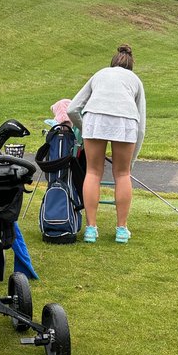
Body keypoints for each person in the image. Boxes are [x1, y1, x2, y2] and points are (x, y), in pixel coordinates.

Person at [68, 44, 147, 244]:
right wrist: (132, 160)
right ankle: (121, 230)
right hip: (126, 122)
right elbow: (141, 127)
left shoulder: (100, 74)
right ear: (131, 65)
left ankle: (91, 229)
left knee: (93, 172)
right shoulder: (135, 80)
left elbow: (72, 109)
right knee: (122, 174)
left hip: (95, 119)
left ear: (112, 63)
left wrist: (86, 128)